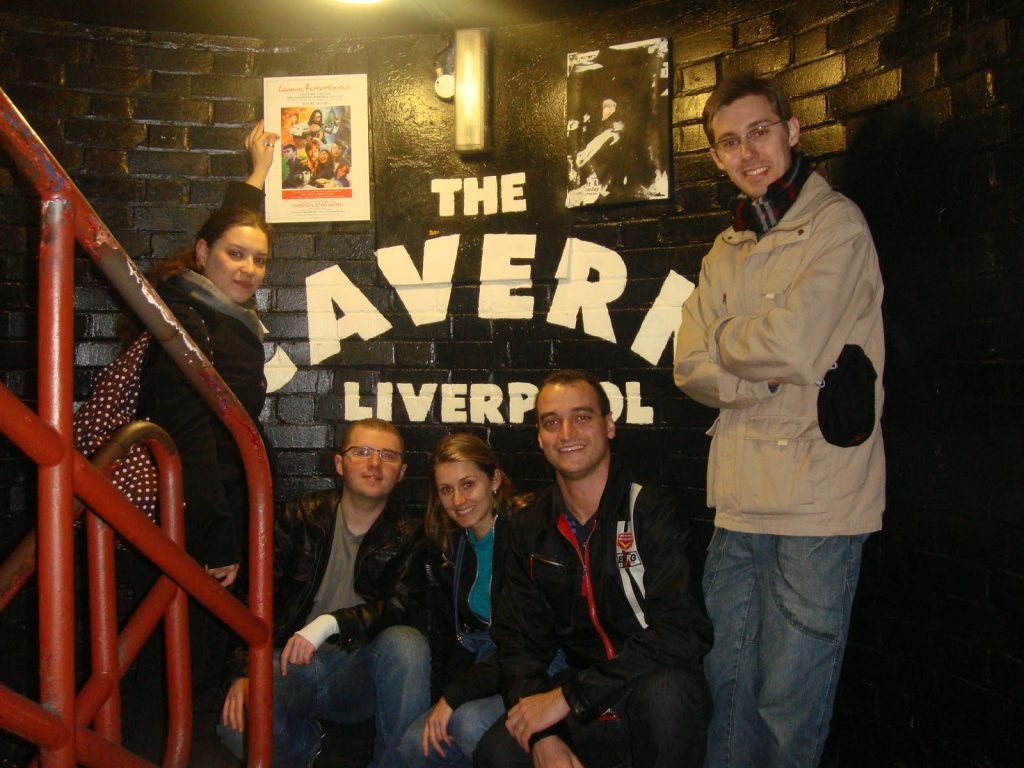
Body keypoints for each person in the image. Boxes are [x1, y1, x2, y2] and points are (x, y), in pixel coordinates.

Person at [673, 73, 885, 768]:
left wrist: (729, 342)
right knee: (728, 687)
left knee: (789, 704)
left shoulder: (837, 227)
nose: (748, 152)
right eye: (730, 142)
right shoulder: (723, 248)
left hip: (818, 506)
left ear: (792, 131)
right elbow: (686, 366)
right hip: (737, 501)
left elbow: (791, 347)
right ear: (715, 157)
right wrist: (758, 363)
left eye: (760, 131)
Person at [119, 121, 278, 759]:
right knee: (192, 665)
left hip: (211, 510)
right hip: (197, 517)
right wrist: (215, 529)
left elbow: (238, 227)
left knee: (202, 659)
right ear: (202, 251)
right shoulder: (187, 316)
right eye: (234, 253)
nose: (248, 267)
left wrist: (258, 177)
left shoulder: (218, 313)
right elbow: (189, 430)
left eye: (260, 258)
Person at [475, 370, 712, 768]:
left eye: (582, 417)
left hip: (648, 689)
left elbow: (682, 632)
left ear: (609, 426)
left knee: (668, 694)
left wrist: (570, 697)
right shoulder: (529, 527)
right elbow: (518, 643)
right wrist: (543, 735)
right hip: (582, 698)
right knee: (498, 752)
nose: (566, 432)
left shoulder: (650, 512)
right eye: (551, 422)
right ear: (539, 438)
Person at [218, 418, 429, 768]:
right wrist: (243, 671)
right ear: (339, 463)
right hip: (287, 664)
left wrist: (331, 623)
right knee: (235, 728)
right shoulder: (297, 516)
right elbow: (252, 596)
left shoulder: (410, 533)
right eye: (361, 452)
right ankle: (314, 748)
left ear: (402, 472)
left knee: (407, 643)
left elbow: (402, 608)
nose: (374, 463)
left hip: (356, 669)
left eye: (387, 456)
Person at [397, 433, 532, 768]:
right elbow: (462, 641)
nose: (458, 500)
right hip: (487, 663)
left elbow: (526, 645)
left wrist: (453, 699)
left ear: (495, 480)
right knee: (417, 744)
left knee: (468, 723)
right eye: (446, 489)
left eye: (468, 484)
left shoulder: (525, 535)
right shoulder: (456, 544)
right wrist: (446, 696)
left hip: (534, 663)